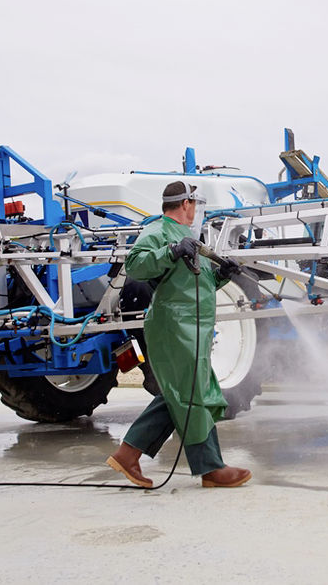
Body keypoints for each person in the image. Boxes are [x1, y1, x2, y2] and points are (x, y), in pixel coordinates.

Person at [106, 180, 251, 489]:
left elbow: (194, 284)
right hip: (173, 325)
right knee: (189, 392)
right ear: (186, 204)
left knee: (185, 392)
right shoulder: (157, 232)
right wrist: (170, 252)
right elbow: (135, 265)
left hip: (192, 325)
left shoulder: (188, 237)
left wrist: (221, 276)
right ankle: (211, 468)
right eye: (195, 204)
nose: (195, 210)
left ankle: (128, 453)